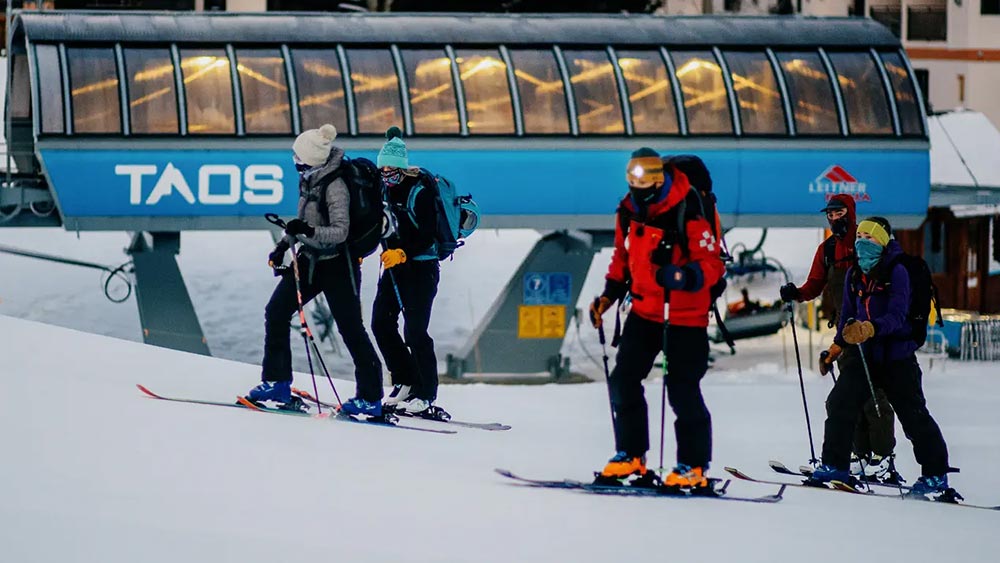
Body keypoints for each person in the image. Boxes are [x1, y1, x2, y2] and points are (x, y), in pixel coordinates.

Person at [589, 148, 725, 489]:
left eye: (645, 182)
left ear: (658, 180)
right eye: (633, 182)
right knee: (623, 380)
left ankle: (694, 465)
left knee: (681, 389)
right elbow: (623, 257)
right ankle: (631, 455)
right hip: (644, 311)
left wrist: (681, 276)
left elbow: (712, 263)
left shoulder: (687, 208)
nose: (639, 188)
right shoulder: (628, 210)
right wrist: (608, 296)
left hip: (685, 316)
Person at [808, 217, 955, 498]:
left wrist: (870, 328)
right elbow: (847, 318)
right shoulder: (854, 274)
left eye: (869, 237)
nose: (862, 242)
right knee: (839, 402)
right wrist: (836, 348)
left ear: (883, 241)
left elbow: (898, 316)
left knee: (913, 416)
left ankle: (935, 474)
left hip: (897, 357)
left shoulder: (897, 271)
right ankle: (835, 466)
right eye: (859, 237)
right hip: (865, 356)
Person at [247, 124, 384, 417]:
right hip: (309, 260)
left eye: (298, 156)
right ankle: (276, 382)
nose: (294, 160)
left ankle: (370, 397)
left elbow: (340, 231)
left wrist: (308, 230)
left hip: (338, 264)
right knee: (276, 311)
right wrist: (283, 245)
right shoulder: (309, 179)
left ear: (310, 158)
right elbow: (302, 221)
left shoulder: (335, 185)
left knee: (350, 328)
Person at [779, 195, 900, 484]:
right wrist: (796, 293)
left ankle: (883, 458)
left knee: (875, 396)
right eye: (830, 214)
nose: (834, 218)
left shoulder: (867, 240)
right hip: (845, 333)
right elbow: (814, 285)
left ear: (851, 212)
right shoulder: (827, 249)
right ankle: (859, 454)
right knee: (848, 397)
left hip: (874, 331)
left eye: (839, 213)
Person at [371, 127, 442, 417]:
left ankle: (426, 393)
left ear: (402, 168)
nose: (386, 174)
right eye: (382, 169)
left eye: (390, 170)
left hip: (421, 268)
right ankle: (405, 379)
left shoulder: (419, 192)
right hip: (394, 268)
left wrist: (403, 253)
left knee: (415, 331)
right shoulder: (383, 190)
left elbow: (428, 234)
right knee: (380, 323)